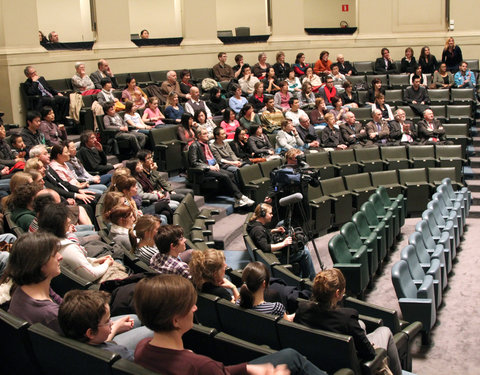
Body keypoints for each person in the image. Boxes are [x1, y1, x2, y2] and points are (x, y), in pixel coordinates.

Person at [134, 274, 328, 375]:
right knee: (294, 360)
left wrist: (245, 369)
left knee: (290, 355)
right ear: (175, 320)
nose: (194, 309)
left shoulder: (142, 348)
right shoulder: (200, 366)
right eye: (189, 306)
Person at [294, 268, 404, 375]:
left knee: (361, 324)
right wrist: (371, 347)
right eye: (343, 289)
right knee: (385, 331)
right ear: (337, 293)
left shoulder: (301, 309)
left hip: (320, 362)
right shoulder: (347, 318)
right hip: (351, 369)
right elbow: (370, 354)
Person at [39, 203, 126, 282]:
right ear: (58, 223)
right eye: (66, 218)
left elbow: (74, 263)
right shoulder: (68, 248)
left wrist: (95, 261)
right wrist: (106, 264)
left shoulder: (46, 242)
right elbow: (92, 275)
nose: (69, 220)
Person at [58, 289, 153, 359]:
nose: (112, 322)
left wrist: (116, 327)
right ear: (91, 333)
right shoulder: (120, 353)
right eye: (107, 321)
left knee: (135, 318)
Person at [6, 232, 65, 332]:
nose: (60, 257)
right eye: (54, 254)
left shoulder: (23, 287)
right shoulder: (51, 315)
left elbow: (62, 303)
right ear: (41, 265)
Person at [247, 203, 315, 280]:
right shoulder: (258, 230)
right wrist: (283, 243)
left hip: (267, 256)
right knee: (304, 251)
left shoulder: (254, 224)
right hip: (273, 259)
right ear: (262, 214)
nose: (272, 215)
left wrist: (274, 230)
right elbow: (266, 247)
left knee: (281, 224)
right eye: (270, 213)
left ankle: (303, 275)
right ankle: (310, 280)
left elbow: (263, 233)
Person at [188, 127, 254, 208]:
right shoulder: (194, 145)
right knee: (225, 176)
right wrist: (208, 167)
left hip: (213, 166)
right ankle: (240, 197)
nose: (207, 135)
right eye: (204, 134)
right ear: (198, 136)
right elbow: (194, 162)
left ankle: (237, 200)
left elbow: (212, 157)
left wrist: (216, 163)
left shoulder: (207, 143)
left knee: (230, 174)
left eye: (207, 133)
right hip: (204, 170)